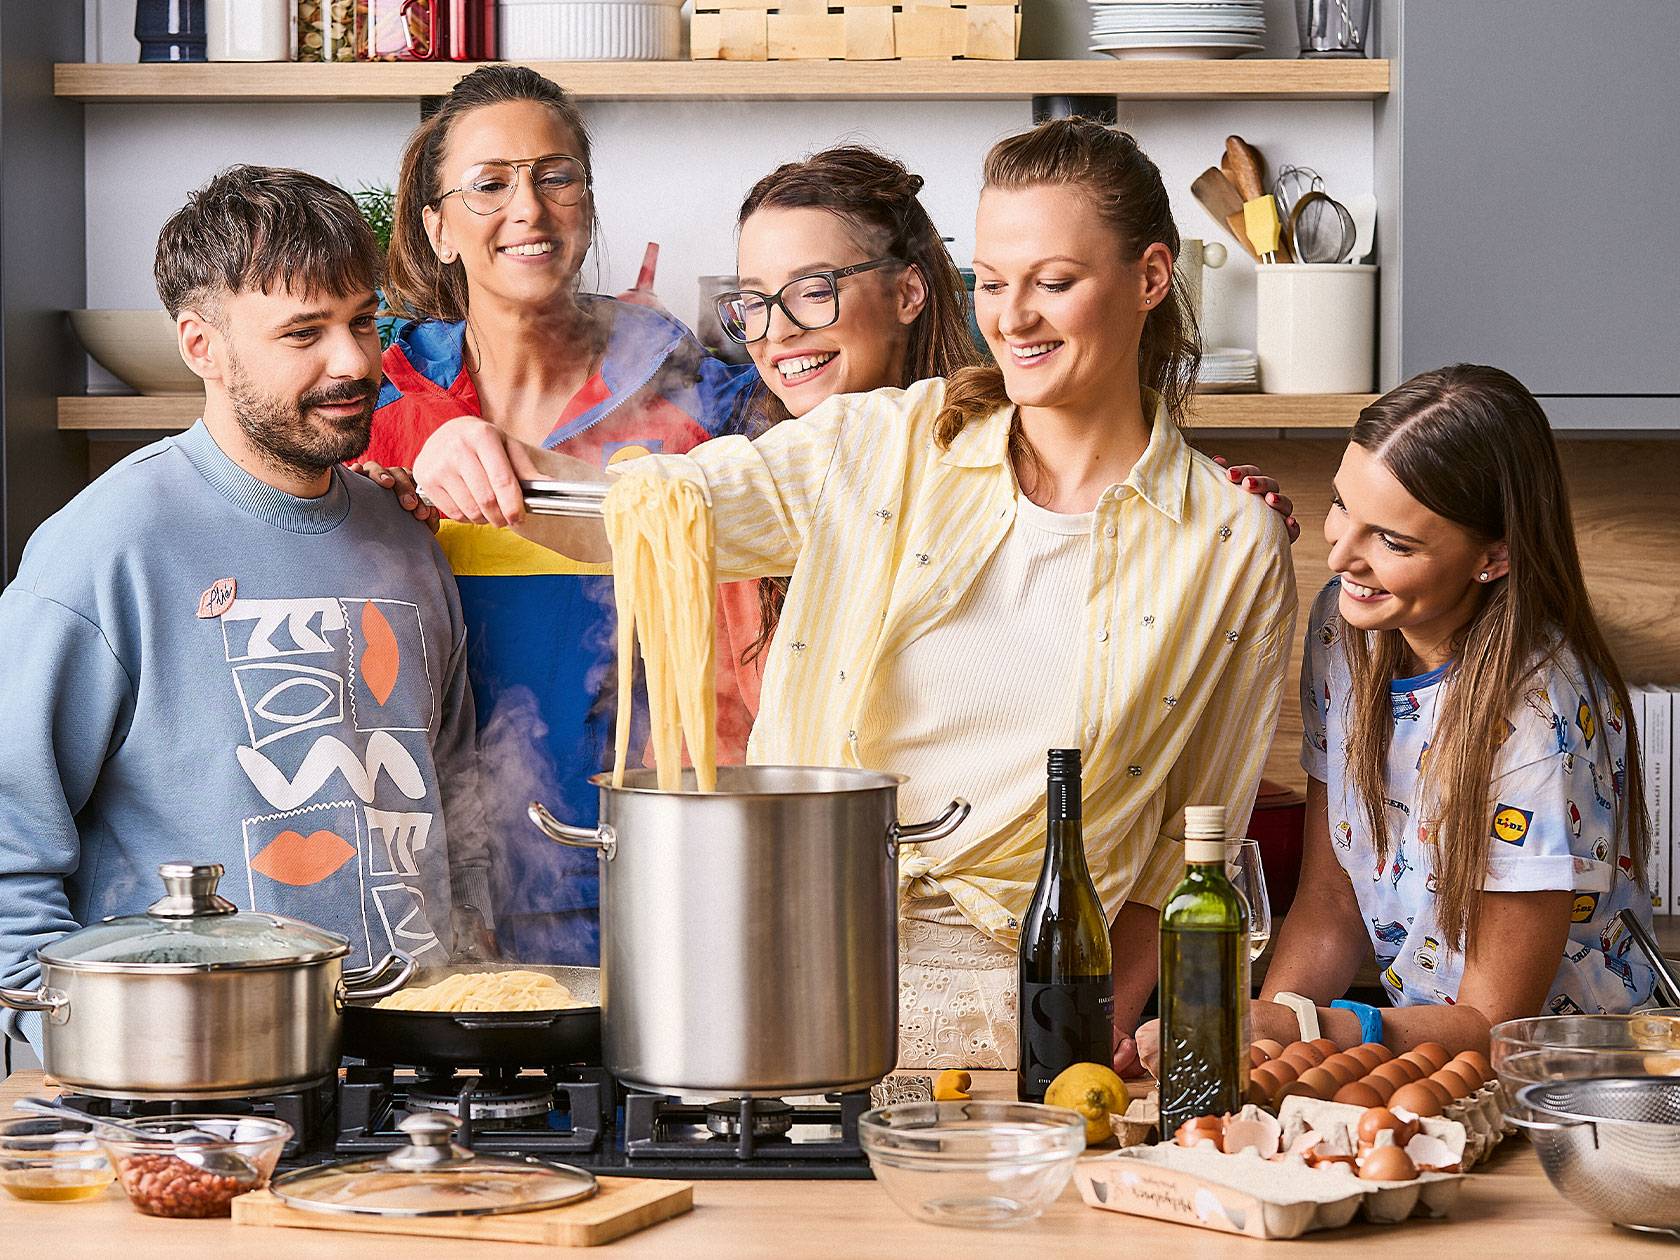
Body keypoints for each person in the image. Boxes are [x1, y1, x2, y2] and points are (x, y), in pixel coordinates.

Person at [414, 118, 1297, 1074]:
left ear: (1151, 278)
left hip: (1004, 1021)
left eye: (1055, 281)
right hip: (782, 967)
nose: (1014, 318)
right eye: (994, 284)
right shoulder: (881, 442)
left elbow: (1180, 849)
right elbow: (666, 505)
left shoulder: (1228, 545)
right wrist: (497, 461)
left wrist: (1076, 1040)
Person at [0, 166, 492, 1055]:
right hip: (189, 1085)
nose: (352, 362)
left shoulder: (406, 536)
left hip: (418, 1067)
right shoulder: (105, 549)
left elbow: (459, 815)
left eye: (361, 320)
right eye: (303, 333)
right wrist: (84, 1056)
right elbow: (6, 855)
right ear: (202, 345)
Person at [1139, 365, 1654, 1070]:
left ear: (1493, 555)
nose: (1343, 553)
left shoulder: (1538, 718)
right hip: (1414, 1048)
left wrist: (1305, 1031)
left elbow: (1498, 1024)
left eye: (1394, 542)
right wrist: (1257, 1039)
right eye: (1343, 505)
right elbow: (1332, 899)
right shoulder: (1345, 630)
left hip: (1564, 1080)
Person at [358, 65, 754, 964]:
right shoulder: (380, 406)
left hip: (646, 870)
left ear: (587, 199)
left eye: (556, 174)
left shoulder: (699, 396)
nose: (528, 208)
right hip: (419, 879)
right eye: (489, 184)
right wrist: (426, 428)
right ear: (438, 228)